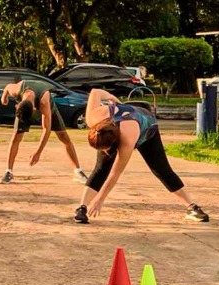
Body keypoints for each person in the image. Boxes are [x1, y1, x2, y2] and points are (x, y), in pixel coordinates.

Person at [75, 88, 209, 224]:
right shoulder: (93, 119)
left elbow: (115, 173)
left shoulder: (127, 137)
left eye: (105, 149)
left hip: (146, 127)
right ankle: (82, 208)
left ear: (115, 141)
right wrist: (112, 98)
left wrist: (100, 199)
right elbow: (95, 92)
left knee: (161, 170)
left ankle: (192, 207)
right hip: (119, 121)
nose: (104, 152)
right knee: (100, 168)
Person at [0, 80, 87, 185]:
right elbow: (8, 86)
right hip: (25, 108)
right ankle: (9, 171)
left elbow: (47, 129)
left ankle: (78, 171)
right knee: (16, 137)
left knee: (64, 137)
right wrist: (4, 98)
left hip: (48, 105)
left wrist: (38, 152)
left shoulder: (44, 102)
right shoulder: (17, 90)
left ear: (35, 109)